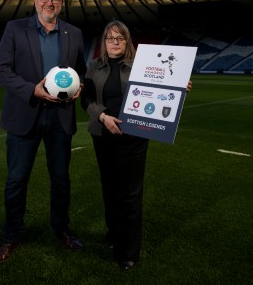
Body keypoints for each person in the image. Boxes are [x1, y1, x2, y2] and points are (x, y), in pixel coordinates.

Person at [80, 21, 192, 270]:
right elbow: (85, 98)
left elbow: (162, 86)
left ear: (127, 41)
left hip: (134, 136)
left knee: (129, 194)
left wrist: (179, 85)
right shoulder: (93, 66)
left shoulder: (142, 65)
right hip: (102, 134)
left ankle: (128, 252)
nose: (115, 42)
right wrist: (102, 116)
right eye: (110, 38)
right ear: (104, 42)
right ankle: (114, 233)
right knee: (109, 189)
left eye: (120, 38)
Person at [0, 0, 87, 265]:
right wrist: (32, 89)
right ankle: (11, 236)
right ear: (35, 1)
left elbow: (81, 71)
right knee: (16, 180)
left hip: (61, 116)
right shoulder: (15, 29)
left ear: (61, 3)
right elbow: (1, 71)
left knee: (61, 179)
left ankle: (61, 230)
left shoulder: (74, 33)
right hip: (24, 114)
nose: (50, 3)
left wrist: (79, 87)